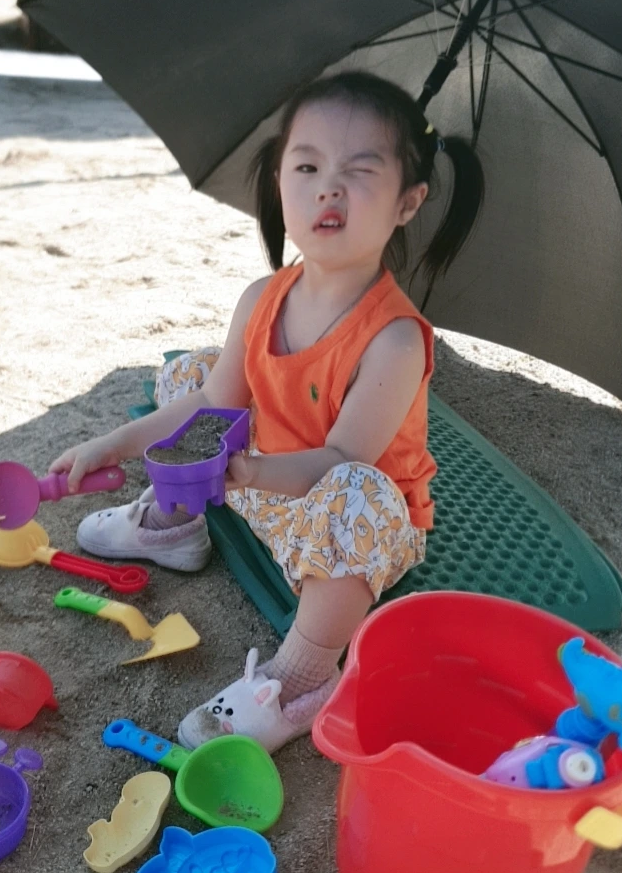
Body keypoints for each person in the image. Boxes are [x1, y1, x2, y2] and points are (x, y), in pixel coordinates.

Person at [47, 72, 485, 755]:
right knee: (191, 374)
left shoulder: (394, 341)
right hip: (260, 488)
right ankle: (175, 526)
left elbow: (341, 461)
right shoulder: (261, 297)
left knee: (357, 494)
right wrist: (113, 445)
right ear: (279, 179)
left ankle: (302, 678)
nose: (328, 189)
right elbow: (209, 404)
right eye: (307, 167)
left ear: (408, 202)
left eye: (359, 170)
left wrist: (247, 470)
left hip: (344, 527)